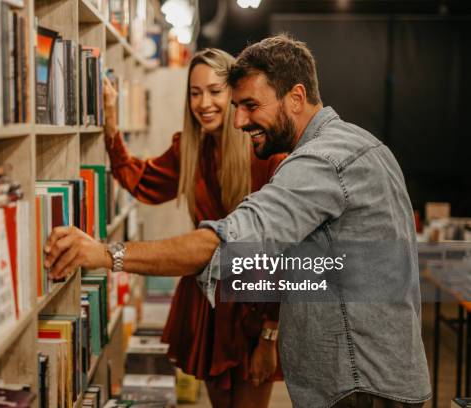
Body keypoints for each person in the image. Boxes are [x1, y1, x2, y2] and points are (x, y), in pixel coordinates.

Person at [44, 34, 432, 407]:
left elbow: (227, 244)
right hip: (377, 368)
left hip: (355, 379)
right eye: (201, 95)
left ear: (296, 97)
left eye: (248, 105)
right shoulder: (363, 144)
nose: (237, 120)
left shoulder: (315, 163)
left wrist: (105, 254)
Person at [100, 48, 286, 407]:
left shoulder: (264, 151)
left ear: (233, 93)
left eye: (215, 91)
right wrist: (111, 126)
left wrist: (269, 333)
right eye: (195, 92)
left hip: (255, 305)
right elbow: (143, 180)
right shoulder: (189, 148)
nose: (204, 103)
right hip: (208, 301)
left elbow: (283, 248)